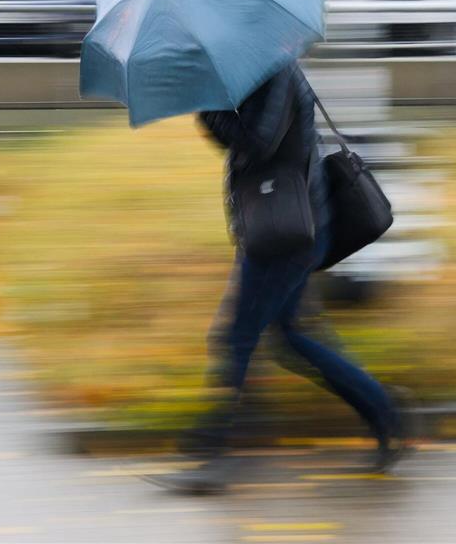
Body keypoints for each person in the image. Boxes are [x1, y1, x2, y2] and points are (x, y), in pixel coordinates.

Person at [147, 63, 409, 495]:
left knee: (235, 340)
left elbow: (258, 142)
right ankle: (386, 411)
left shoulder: (275, 72)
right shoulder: (258, 69)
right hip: (283, 225)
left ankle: (212, 458)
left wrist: (208, 105)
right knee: (290, 337)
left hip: (288, 232)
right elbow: (246, 142)